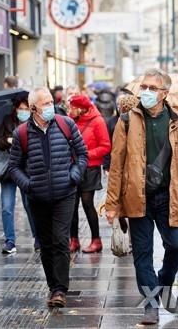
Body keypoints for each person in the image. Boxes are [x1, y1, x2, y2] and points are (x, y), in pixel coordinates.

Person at [105, 69, 178, 325]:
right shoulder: (126, 121)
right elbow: (116, 164)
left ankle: (164, 283)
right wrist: (112, 203)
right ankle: (151, 305)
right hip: (138, 198)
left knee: (176, 245)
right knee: (142, 254)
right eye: (143, 86)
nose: (146, 91)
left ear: (164, 94)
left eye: (152, 88)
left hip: (170, 198)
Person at [8, 87, 88, 308]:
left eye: (51, 102)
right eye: (45, 104)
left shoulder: (66, 124)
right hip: (37, 197)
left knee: (61, 240)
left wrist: (74, 176)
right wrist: (28, 185)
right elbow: (13, 167)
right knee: (46, 243)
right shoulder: (21, 133)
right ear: (33, 108)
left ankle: (60, 289)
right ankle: (53, 286)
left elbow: (82, 154)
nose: (50, 107)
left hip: (65, 194)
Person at [0, 96, 39, 253]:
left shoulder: (35, 122)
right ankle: (10, 241)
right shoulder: (7, 121)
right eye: (20, 108)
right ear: (15, 109)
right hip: (9, 169)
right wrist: (8, 140)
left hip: (28, 170)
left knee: (30, 205)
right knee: (7, 207)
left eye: (26, 109)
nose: (23, 112)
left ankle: (38, 238)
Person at [68, 95, 111, 253]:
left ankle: (96, 240)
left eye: (72, 107)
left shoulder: (97, 121)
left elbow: (105, 146)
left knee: (87, 203)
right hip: (73, 167)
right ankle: (73, 240)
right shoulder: (70, 120)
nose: (69, 110)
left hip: (90, 168)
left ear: (80, 108)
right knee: (71, 205)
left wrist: (85, 154)